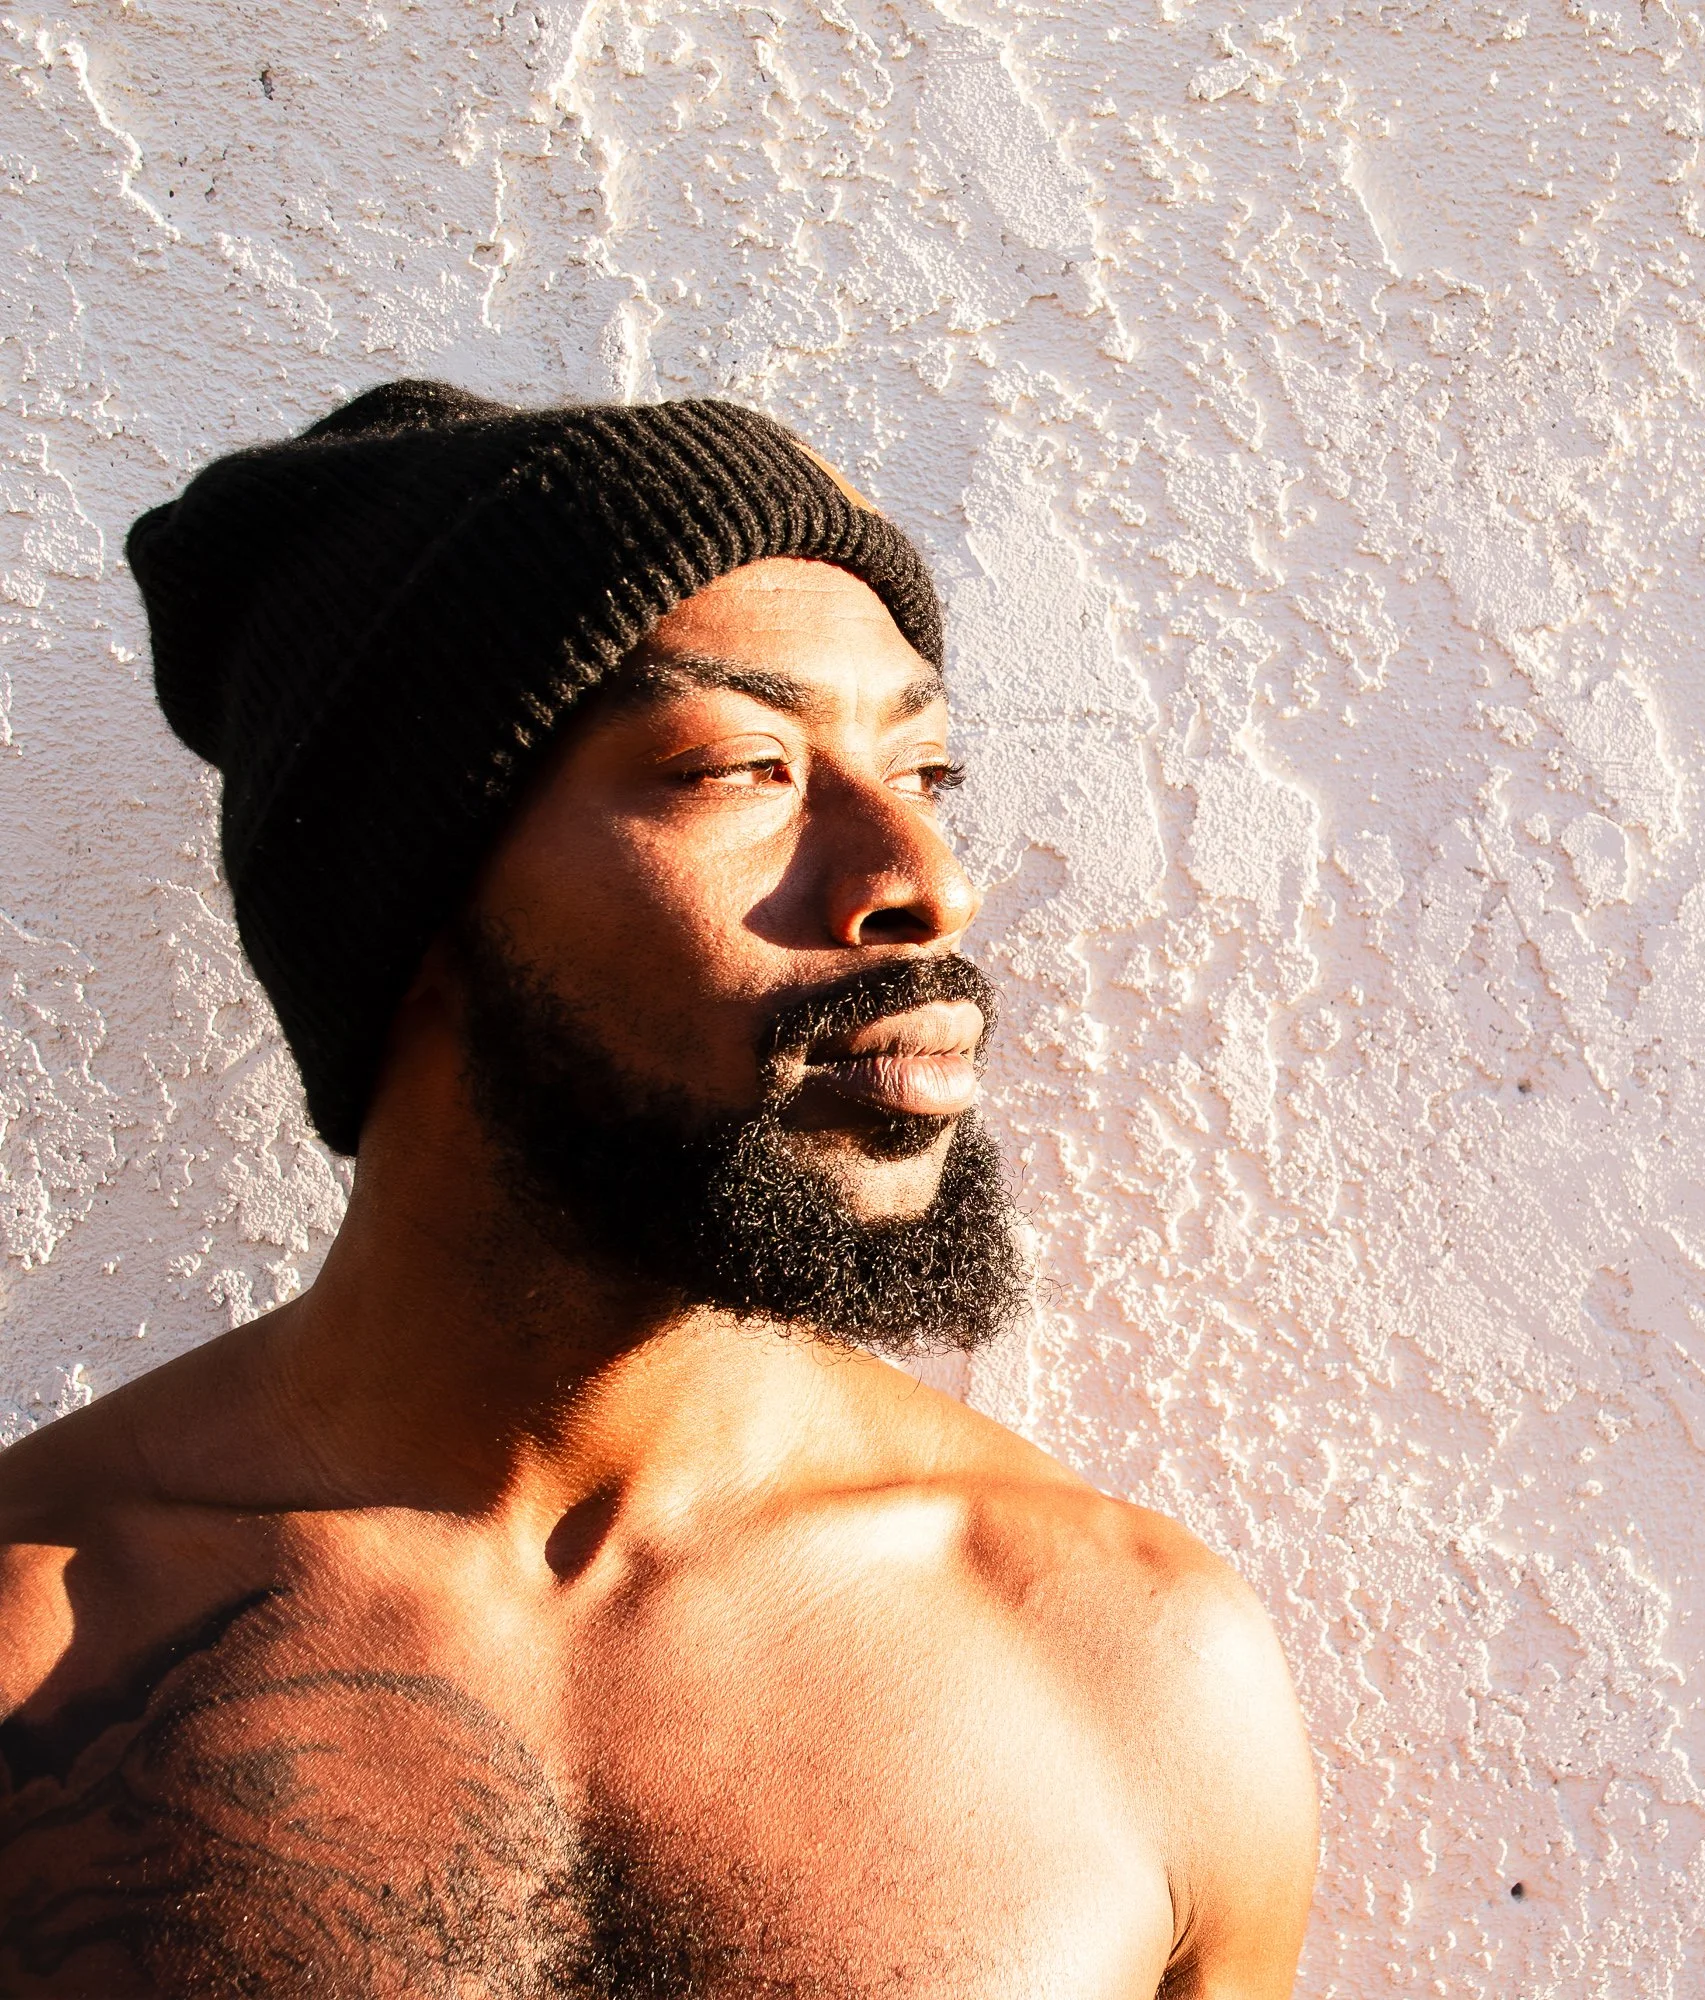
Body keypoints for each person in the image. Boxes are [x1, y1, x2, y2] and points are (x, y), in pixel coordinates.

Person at [0, 383, 1319, 1997]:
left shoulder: (1126, 1658)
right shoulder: (41, 1642)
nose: (924, 883)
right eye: (742, 766)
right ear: (408, 906)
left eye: (929, 769)